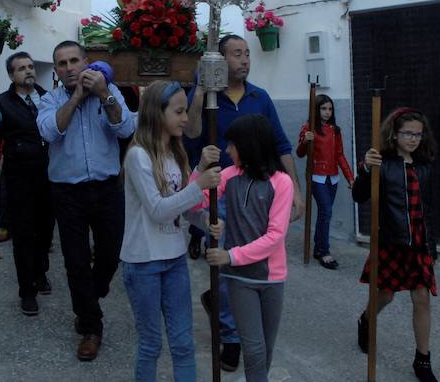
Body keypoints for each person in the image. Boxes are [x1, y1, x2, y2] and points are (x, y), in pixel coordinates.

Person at [185, 34, 304, 371]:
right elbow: (192, 132)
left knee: (245, 258)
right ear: (221, 61)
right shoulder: (208, 97)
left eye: (247, 53)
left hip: (260, 193)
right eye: (237, 54)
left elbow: (280, 144)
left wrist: (294, 188)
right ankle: (232, 336)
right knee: (226, 262)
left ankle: (232, 321)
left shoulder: (259, 97)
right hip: (221, 190)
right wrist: (200, 90)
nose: (245, 59)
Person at [37, 41, 137, 361]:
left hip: (107, 188)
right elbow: (51, 131)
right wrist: (78, 97)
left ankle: (92, 294)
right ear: (55, 70)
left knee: (111, 254)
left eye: (74, 61)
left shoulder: (108, 90)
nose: (69, 68)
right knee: (76, 261)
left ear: (85, 63)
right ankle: (92, 327)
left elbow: (125, 128)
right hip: (67, 192)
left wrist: (104, 94)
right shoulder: (50, 100)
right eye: (62, 63)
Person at [121, 81, 222, 382]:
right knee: (151, 345)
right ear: (156, 113)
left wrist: (205, 221)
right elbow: (158, 209)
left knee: (183, 343)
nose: (186, 118)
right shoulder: (138, 156)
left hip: (175, 258)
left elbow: (182, 206)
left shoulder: (176, 154)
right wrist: (200, 184)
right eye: (178, 112)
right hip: (143, 263)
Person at [197, 114, 294, 382]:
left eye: (233, 145)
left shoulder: (282, 182)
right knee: (253, 349)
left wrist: (231, 255)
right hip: (239, 279)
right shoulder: (227, 176)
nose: (227, 151)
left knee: (266, 351)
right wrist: (208, 214)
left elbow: (275, 236)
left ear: (250, 144)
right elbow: (195, 198)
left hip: (272, 277)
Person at [354, 107, 439, 382]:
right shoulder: (382, 163)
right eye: (408, 133)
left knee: (422, 299)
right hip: (391, 242)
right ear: (394, 133)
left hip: (419, 245)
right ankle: (366, 319)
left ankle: (423, 360)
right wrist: (366, 169)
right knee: (387, 295)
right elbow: (359, 195)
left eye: (418, 133)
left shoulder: (424, 164)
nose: (414, 139)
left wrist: (431, 245)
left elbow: (428, 209)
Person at [0, 52, 54, 316]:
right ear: (12, 75)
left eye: (31, 67)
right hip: (18, 180)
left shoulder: (49, 98)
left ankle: (40, 273)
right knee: (23, 236)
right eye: (21, 68)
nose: (28, 71)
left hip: (48, 177)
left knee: (45, 232)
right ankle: (27, 291)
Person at [296, 93, 355, 269]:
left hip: (333, 178)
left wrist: (350, 178)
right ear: (316, 109)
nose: (327, 112)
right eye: (323, 108)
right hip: (317, 177)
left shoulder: (335, 130)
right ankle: (324, 251)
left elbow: (340, 155)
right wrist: (306, 141)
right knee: (326, 212)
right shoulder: (308, 128)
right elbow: (300, 153)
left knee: (324, 213)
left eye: (330, 109)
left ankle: (318, 248)